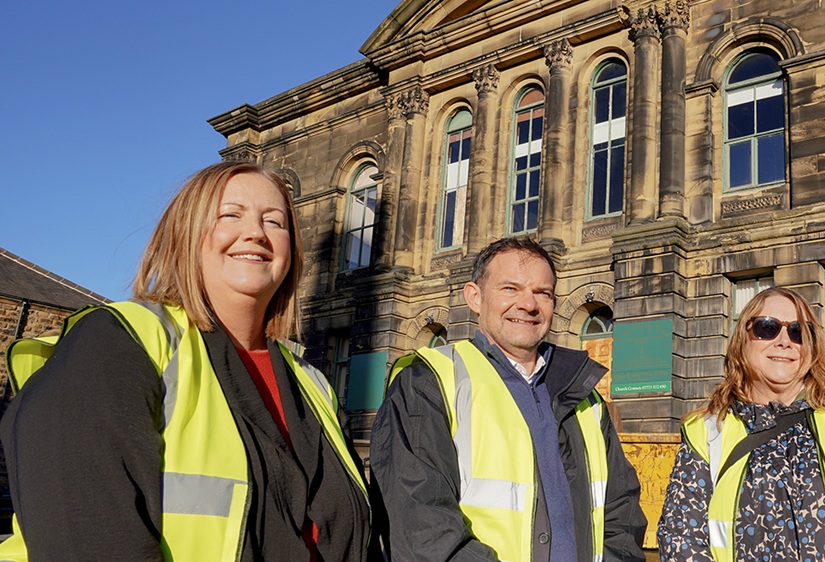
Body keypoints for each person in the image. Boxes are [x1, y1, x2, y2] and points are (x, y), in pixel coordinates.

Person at [0, 161, 381, 561]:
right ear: (185, 235)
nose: (256, 232)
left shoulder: (312, 383)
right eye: (230, 215)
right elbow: (88, 540)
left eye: (275, 222)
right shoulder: (119, 343)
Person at [370, 237, 646, 561]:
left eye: (542, 293)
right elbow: (423, 529)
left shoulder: (586, 398)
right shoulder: (428, 383)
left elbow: (621, 513)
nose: (528, 304)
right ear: (475, 297)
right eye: (510, 289)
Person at [657, 287, 825, 561]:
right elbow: (682, 541)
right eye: (767, 327)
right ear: (741, 340)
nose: (785, 341)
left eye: (798, 332)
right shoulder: (707, 432)